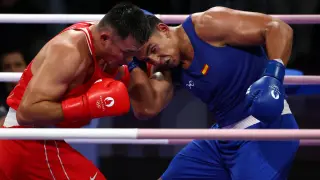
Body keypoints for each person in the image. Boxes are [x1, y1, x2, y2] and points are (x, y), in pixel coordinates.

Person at [128, 7, 299, 180]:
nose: (156, 59)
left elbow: (277, 28)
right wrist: (131, 64)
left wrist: (273, 76)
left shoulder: (206, 24)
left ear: (163, 29)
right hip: (222, 139)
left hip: (265, 130)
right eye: (147, 59)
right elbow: (147, 109)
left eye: (153, 49)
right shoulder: (168, 65)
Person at [0, 3, 152, 180]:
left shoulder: (106, 48)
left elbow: (147, 107)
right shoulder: (70, 52)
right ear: (104, 38)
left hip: (38, 137)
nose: (128, 60)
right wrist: (86, 106)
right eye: (126, 52)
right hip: (26, 136)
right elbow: (26, 113)